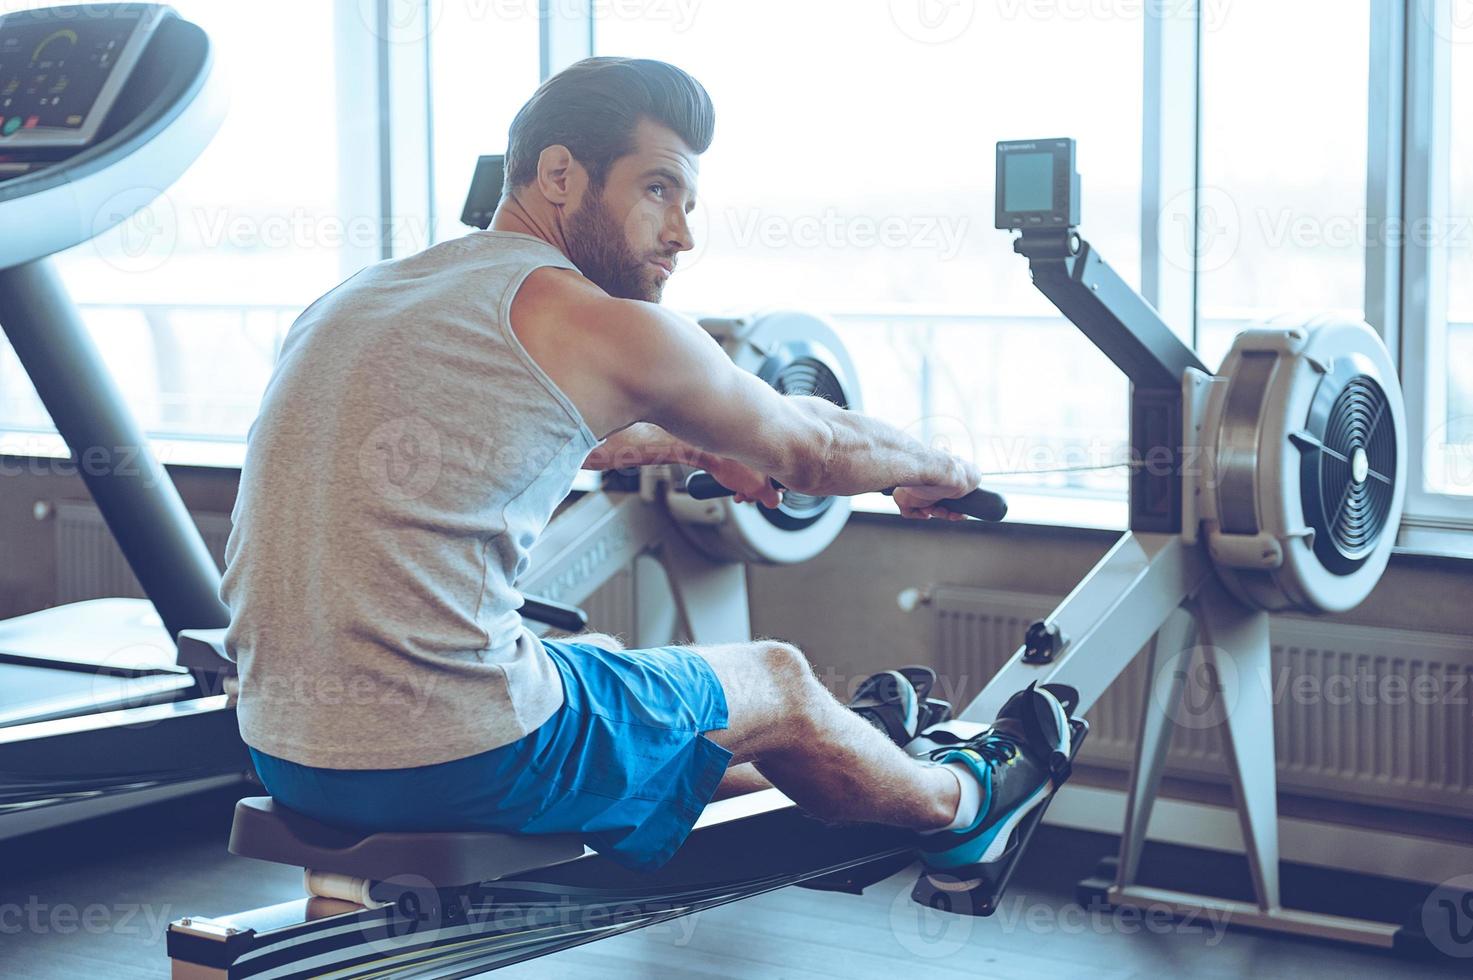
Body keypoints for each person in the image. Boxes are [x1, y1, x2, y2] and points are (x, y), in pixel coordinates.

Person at [221, 56, 1067, 878]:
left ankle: (844, 754)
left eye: (689, 202)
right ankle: (961, 809)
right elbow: (812, 448)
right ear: (559, 174)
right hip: (461, 758)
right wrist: (935, 464)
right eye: (658, 189)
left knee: (584, 657)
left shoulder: (359, 295)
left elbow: (493, 440)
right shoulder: (596, 318)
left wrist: (695, 446)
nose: (683, 234)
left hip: (286, 751)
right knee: (776, 678)